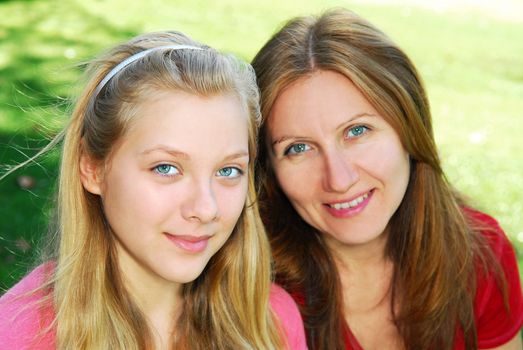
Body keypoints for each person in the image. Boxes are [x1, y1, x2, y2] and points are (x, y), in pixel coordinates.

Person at [0, 31, 308, 349]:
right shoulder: (19, 336)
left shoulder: (271, 323)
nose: (206, 208)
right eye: (166, 168)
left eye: (228, 171)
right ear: (92, 168)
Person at [251, 8, 523, 350]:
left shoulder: (478, 254)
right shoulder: (251, 293)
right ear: (269, 170)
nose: (339, 179)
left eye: (357, 130)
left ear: (408, 127)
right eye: (299, 148)